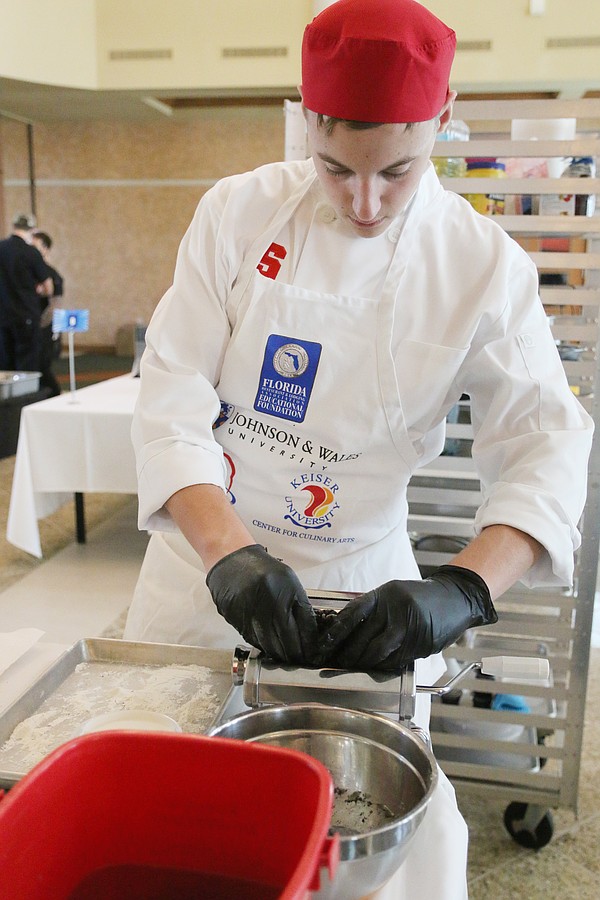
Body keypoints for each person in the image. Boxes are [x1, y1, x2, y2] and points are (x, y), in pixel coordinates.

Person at [124, 1, 593, 895]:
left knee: (379, 848)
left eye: (398, 172)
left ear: (443, 117)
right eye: (336, 168)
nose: (366, 202)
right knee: (177, 826)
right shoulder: (236, 215)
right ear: (308, 119)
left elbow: (545, 441)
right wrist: (228, 555)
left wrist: (465, 588)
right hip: (202, 574)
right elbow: (172, 397)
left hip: (365, 585)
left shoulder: (482, 265)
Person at [0, 213, 53, 372]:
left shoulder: (1, 248)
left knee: (6, 363)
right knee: (27, 363)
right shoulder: (31, 253)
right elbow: (48, 287)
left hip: (3, 316)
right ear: (32, 230)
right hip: (26, 316)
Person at [31, 230, 64, 397]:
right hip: (31, 326)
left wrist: (40, 325)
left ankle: (55, 394)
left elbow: (54, 305)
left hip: (44, 327)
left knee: (43, 365)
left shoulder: (52, 274)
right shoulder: (28, 273)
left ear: (45, 249)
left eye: (35, 247)